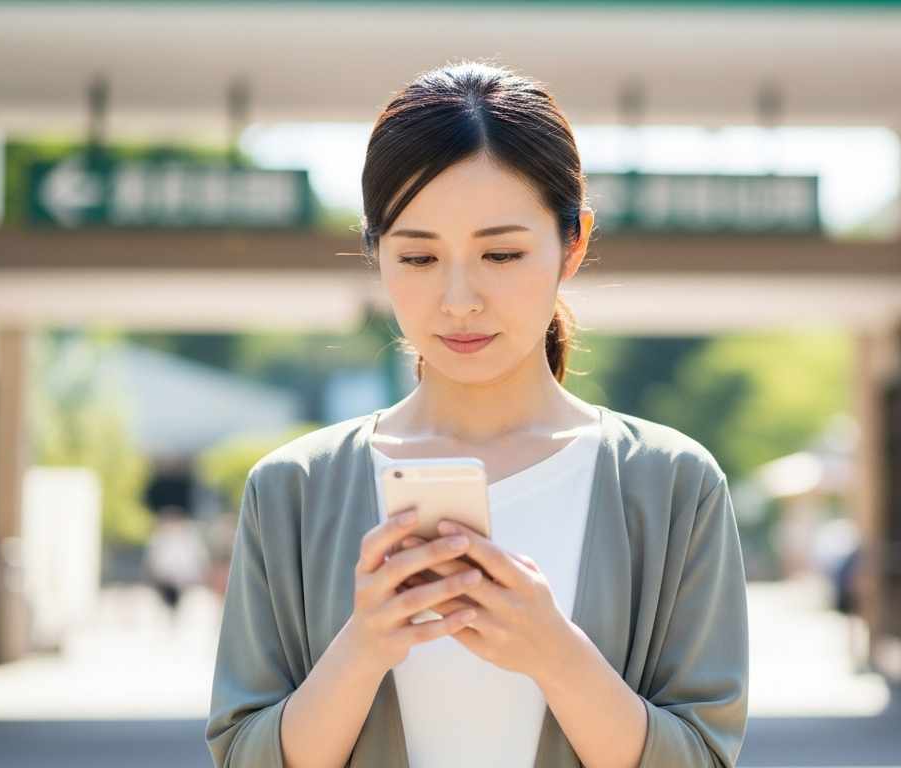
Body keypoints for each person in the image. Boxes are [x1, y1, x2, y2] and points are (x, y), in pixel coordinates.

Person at [207, 63, 749, 768]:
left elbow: (703, 755)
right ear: (376, 252)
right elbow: (243, 754)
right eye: (419, 256)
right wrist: (362, 647)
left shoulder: (672, 486)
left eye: (501, 252)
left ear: (573, 244)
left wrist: (556, 655)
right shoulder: (292, 490)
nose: (459, 299)